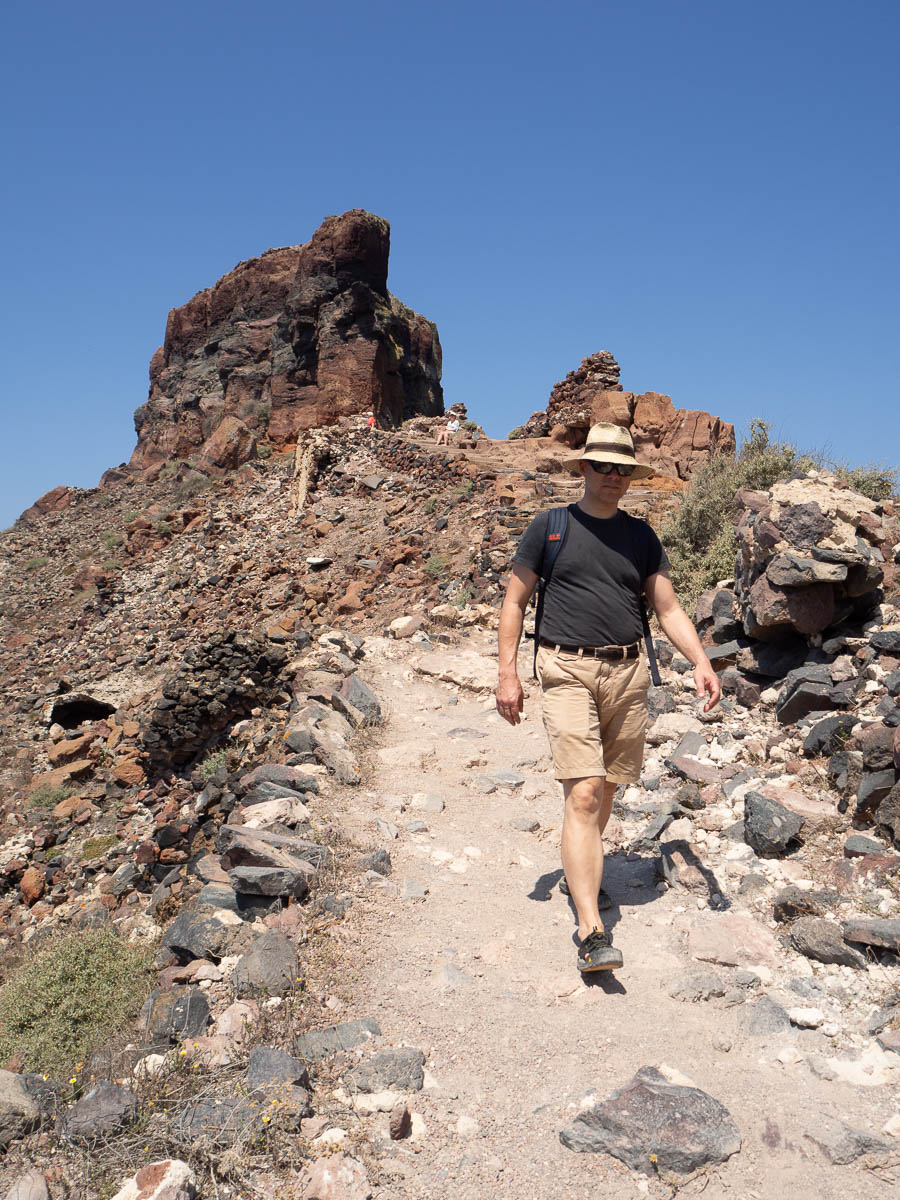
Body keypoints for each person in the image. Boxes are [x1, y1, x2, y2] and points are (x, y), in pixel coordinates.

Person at [495, 422, 721, 974]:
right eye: (603, 466)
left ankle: (582, 869)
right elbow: (515, 601)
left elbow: (667, 608)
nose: (613, 476)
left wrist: (700, 660)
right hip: (565, 668)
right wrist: (507, 674)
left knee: (609, 787)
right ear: (583, 468)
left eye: (622, 468)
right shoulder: (550, 527)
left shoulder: (641, 536)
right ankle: (591, 929)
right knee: (585, 793)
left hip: (628, 672)